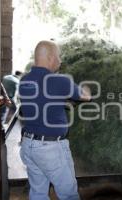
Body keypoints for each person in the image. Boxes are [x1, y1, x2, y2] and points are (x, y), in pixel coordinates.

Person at [19, 40, 91, 200]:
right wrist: (85, 88)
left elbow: (40, 99)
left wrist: (61, 100)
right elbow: (86, 96)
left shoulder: (24, 81)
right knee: (69, 194)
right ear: (50, 57)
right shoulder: (60, 81)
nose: (60, 61)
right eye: (59, 57)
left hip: (29, 145)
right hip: (50, 149)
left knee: (38, 192)